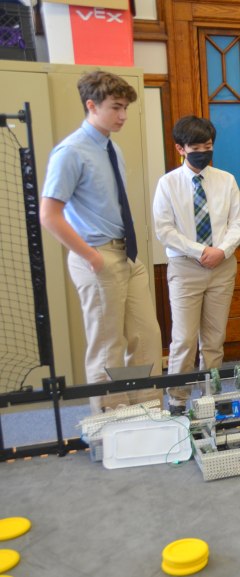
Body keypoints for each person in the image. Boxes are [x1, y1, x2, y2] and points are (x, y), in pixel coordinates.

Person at [39, 70, 162, 384]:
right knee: (108, 350)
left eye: (126, 108)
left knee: (146, 339)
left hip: (128, 255)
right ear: (91, 106)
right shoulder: (71, 152)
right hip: (97, 255)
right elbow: (49, 215)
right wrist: (92, 258)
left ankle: (148, 417)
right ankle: (112, 427)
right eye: (115, 107)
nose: (123, 116)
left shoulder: (112, 147)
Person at [152, 115, 240, 412]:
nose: (203, 151)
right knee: (183, 340)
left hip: (222, 266)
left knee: (215, 339)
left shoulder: (226, 180)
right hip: (185, 267)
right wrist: (201, 251)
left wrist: (221, 250)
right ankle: (178, 400)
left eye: (208, 145)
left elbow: (238, 222)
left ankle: (212, 397)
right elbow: (165, 230)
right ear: (180, 148)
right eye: (196, 146)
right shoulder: (167, 184)